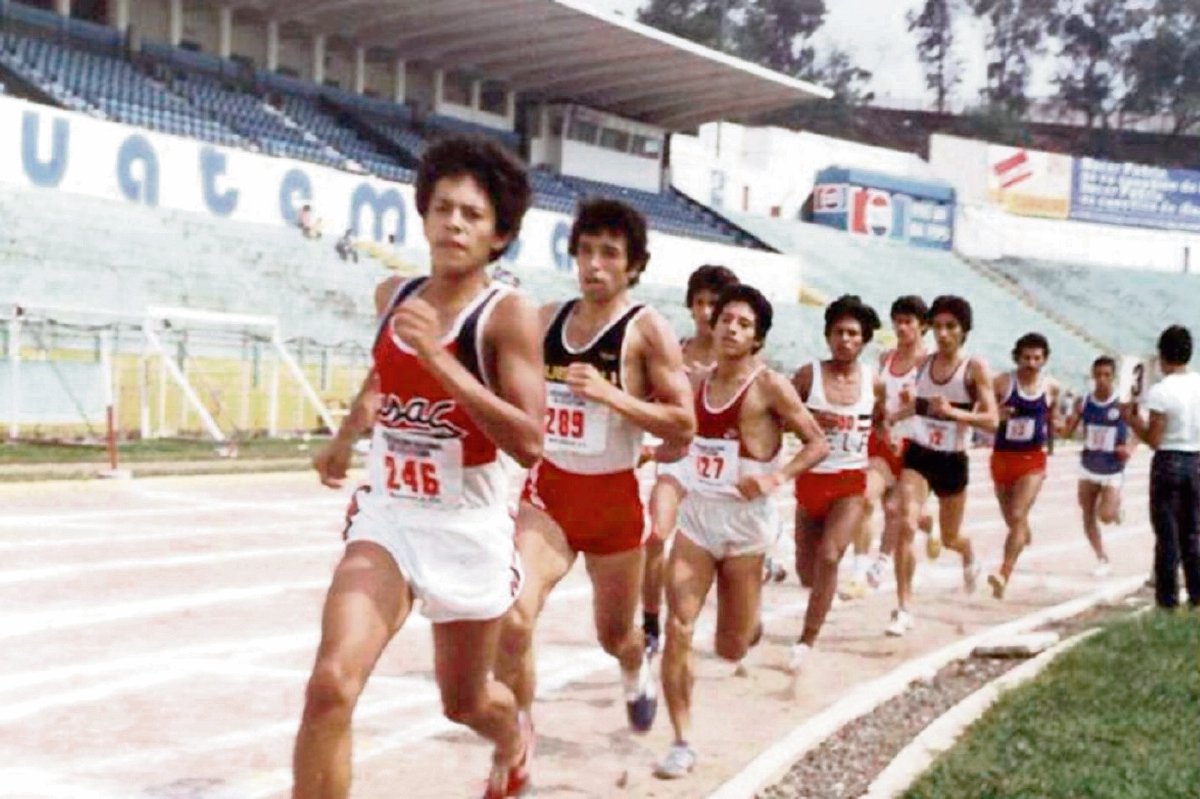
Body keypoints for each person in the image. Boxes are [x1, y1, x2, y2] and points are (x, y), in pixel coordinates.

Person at [294, 135, 543, 799]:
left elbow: (529, 440)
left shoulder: (507, 316)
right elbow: (386, 373)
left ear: (498, 235)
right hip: (392, 517)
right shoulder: (393, 294)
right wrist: (346, 436)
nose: (454, 222)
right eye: (442, 208)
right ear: (424, 215)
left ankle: (513, 736)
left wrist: (441, 359)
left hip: (469, 527)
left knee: (463, 702)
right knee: (331, 685)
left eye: (472, 213)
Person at [496, 199, 695, 751]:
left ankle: (636, 667)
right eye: (585, 251)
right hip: (551, 496)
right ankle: (518, 741)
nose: (595, 265)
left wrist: (613, 395)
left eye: (610, 254)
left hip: (612, 508)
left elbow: (685, 423)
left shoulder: (645, 330)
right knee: (513, 616)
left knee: (614, 637)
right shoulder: (547, 319)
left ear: (634, 265)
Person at [654, 284, 827, 779]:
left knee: (731, 646)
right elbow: (680, 441)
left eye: (743, 323)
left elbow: (816, 443)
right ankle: (682, 740)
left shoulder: (770, 386)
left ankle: (751, 621)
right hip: (699, 517)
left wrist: (776, 477)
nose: (730, 327)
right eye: (726, 318)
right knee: (678, 626)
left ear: (758, 338)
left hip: (746, 525)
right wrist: (653, 453)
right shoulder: (694, 380)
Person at [642, 264, 739, 656]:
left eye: (713, 303)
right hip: (677, 459)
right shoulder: (673, 352)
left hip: (720, 469)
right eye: (698, 303)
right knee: (655, 534)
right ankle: (650, 623)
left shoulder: (736, 358)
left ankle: (746, 601)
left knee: (726, 556)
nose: (704, 312)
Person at [886, 295, 998, 637]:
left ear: (964, 331)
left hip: (952, 458)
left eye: (951, 327)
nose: (944, 334)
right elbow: (919, 404)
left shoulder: (974, 367)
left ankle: (968, 554)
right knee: (904, 522)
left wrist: (954, 413)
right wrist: (892, 418)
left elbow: (992, 420)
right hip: (920, 453)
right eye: (938, 326)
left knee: (950, 537)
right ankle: (904, 607)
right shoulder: (922, 362)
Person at [789, 296, 882, 670]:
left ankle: (806, 640)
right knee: (807, 572)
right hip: (811, 483)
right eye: (839, 332)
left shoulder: (873, 381)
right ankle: (819, 597)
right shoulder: (807, 376)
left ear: (863, 340)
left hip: (849, 484)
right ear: (828, 336)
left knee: (830, 556)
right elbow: (781, 415)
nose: (845, 339)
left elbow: (885, 418)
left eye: (853, 334)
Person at [843, 296, 936, 600]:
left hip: (917, 446)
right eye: (898, 321)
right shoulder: (885, 359)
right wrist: (881, 421)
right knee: (865, 499)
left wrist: (902, 415)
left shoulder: (930, 364)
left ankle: (882, 562)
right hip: (883, 443)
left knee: (895, 510)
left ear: (924, 326)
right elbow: (880, 401)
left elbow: (931, 407)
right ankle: (858, 571)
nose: (902, 327)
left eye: (909, 322)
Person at [1126, 325, 1200, 609]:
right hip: (1195, 458)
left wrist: (1134, 421)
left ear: (1161, 356)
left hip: (1169, 460)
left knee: (1167, 534)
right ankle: (1197, 595)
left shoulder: (1161, 391)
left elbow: (1154, 439)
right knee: (1193, 532)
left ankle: (1168, 600)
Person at [986, 333, 1061, 599]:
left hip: (1032, 460)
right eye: (1026, 357)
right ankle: (1020, 535)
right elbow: (981, 411)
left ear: (1044, 359)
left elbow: (1051, 419)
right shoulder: (1002, 382)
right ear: (1017, 357)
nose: (1031, 363)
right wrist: (997, 413)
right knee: (1012, 519)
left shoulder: (1051, 387)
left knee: (1017, 513)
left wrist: (1051, 446)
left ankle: (1003, 573)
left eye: (1037, 358)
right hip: (1003, 458)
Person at [1061, 356, 1132, 576]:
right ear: (1092, 376)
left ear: (1113, 377)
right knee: (1087, 513)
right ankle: (1102, 558)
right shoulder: (1084, 402)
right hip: (1088, 465)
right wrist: (1053, 423)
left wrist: (1130, 447)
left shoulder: (1122, 403)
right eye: (1098, 375)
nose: (1102, 380)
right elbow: (1068, 431)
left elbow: (1139, 429)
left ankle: (1116, 508)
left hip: (1112, 468)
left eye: (1106, 375)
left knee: (1106, 516)